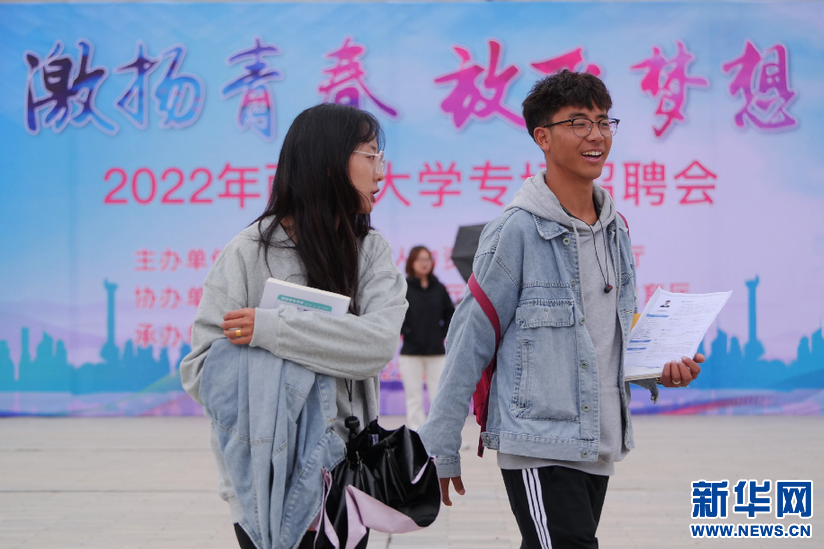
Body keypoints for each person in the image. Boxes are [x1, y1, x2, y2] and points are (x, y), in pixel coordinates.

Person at [418, 70, 704, 549]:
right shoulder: (515, 231)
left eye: (603, 121)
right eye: (578, 122)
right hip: (539, 446)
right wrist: (441, 444)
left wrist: (659, 370)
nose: (596, 135)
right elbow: (469, 339)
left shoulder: (616, 230)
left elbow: (608, 339)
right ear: (543, 137)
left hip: (598, 442)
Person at [179, 104, 408, 549]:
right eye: (370, 155)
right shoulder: (247, 252)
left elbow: (378, 344)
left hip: (345, 478)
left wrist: (271, 331)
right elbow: (201, 371)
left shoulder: (370, 251)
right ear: (329, 163)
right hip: (261, 482)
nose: (381, 172)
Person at [399, 246, 455, 430]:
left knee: (439, 395)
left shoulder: (439, 288)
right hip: (411, 352)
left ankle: (440, 433)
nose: (424, 263)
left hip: (436, 351)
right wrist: (407, 331)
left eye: (427, 259)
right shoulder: (404, 288)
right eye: (420, 259)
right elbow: (395, 314)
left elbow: (450, 314)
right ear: (411, 262)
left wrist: (442, 333)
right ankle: (416, 433)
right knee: (413, 397)